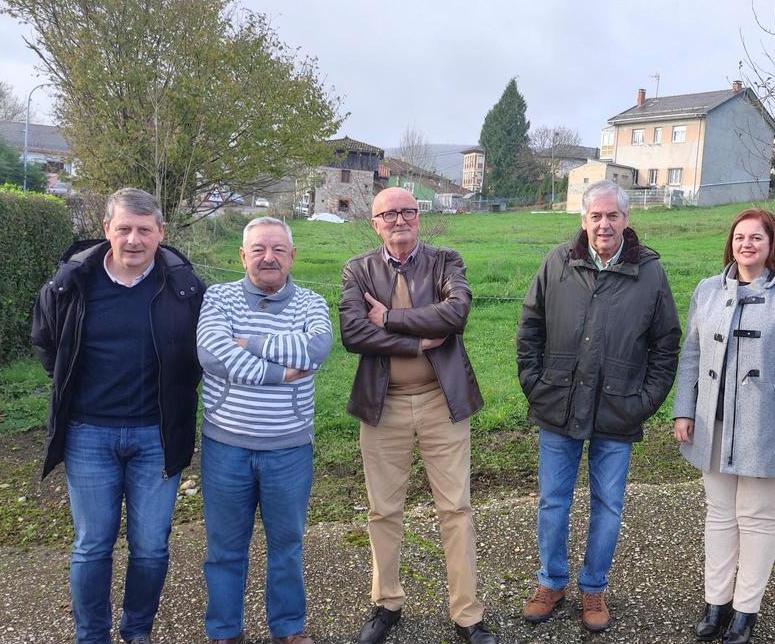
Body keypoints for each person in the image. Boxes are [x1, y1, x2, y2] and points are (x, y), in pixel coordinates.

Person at [30, 188, 204, 644]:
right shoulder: (71, 283)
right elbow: (47, 342)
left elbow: (200, 356)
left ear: (160, 234)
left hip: (157, 436)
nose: (133, 239)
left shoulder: (184, 288)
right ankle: (92, 636)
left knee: (150, 547)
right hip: (89, 434)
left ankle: (137, 632)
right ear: (106, 229)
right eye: (123, 228)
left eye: (144, 230)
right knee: (92, 546)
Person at [516, 180, 682, 632]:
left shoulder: (649, 271)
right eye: (596, 216)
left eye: (612, 216)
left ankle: (593, 588)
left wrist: (644, 402)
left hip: (618, 408)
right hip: (558, 405)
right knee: (553, 502)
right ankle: (551, 581)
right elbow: (530, 328)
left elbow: (666, 344)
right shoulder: (558, 262)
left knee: (608, 504)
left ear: (626, 220)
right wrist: (536, 385)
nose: (604, 224)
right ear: (583, 220)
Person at [338, 187, 495, 644]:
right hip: (381, 405)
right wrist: (415, 342)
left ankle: (467, 615)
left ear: (419, 217)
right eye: (389, 213)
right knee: (382, 509)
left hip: (441, 402)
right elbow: (352, 332)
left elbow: (457, 312)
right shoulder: (358, 269)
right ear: (375, 223)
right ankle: (386, 603)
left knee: (457, 508)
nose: (399, 220)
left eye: (408, 211)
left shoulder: (446, 260)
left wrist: (388, 320)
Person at [672, 208, 775, 643]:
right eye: (739, 237)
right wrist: (684, 409)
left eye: (756, 238)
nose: (746, 245)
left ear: (771, 241)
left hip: (770, 424)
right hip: (714, 421)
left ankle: (746, 611)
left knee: (756, 516)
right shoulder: (708, 290)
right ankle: (715, 603)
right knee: (719, 515)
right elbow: (691, 354)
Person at [197, 217, 331, 644]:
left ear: (292, 256)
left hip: (288, 449)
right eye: (258, 249)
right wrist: (280, 374)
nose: (268, 257)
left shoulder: (312, 302)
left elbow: (316, 349)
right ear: (242, 255)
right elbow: (211, 354)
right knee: (224, 549)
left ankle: (288, 629)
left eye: (277, 250)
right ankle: (223, 631)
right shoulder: (218, 297)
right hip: (226, 446)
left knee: (287, 545)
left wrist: (248, 342)